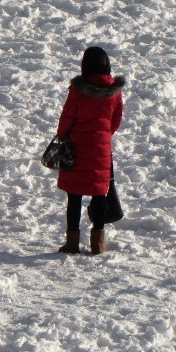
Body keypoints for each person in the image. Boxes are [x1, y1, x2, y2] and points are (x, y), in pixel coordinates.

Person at [55, 46, 125, 255]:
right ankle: (98, 243)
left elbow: (67, 117)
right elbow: (116, 119)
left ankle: (72, 242)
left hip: (77, 148)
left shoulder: (78, 91)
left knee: (74, 196)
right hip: (102, 149)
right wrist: (104, 135)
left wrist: (62, 136)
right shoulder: (114, 92)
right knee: (99, 194)